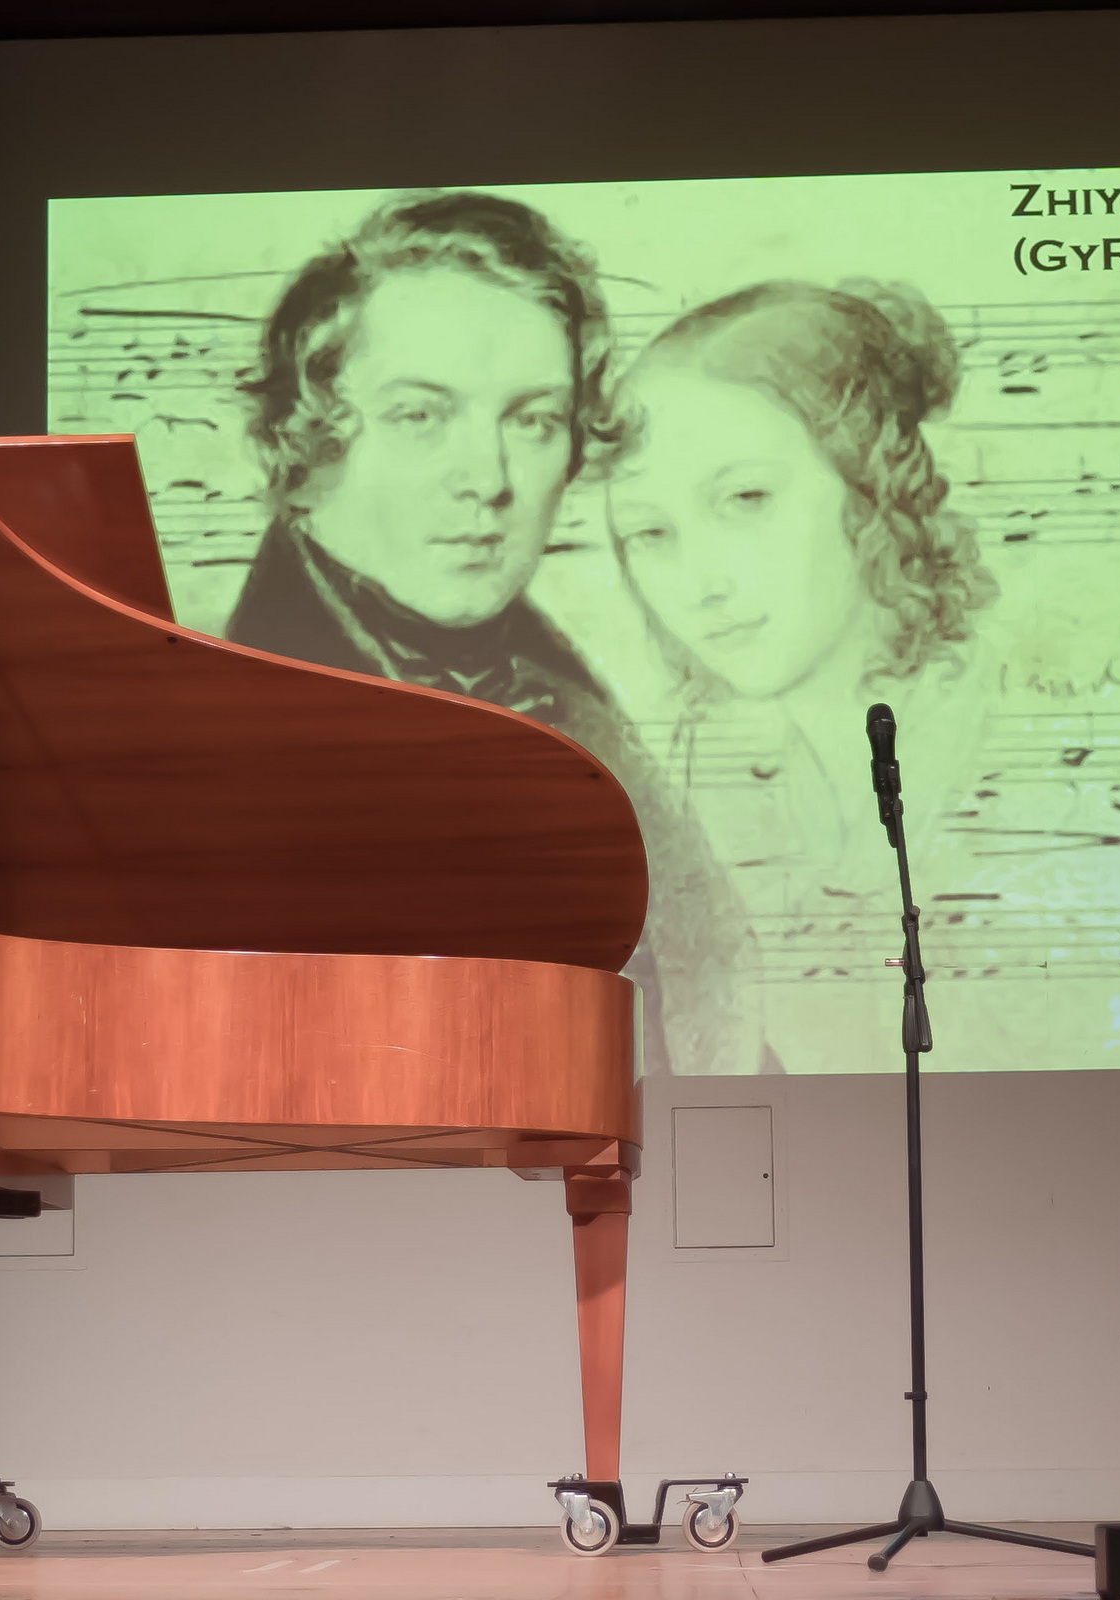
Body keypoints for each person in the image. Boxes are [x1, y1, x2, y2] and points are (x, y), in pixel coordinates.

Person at [232, 190, 770, 1074]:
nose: (487, 478)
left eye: (533, 420)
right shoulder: (215, 729)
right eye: (420, 415)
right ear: (309, 436)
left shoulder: (580, 715)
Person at [607, 279, 998, 920]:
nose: (700, 585)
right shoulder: (706, 779)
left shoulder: (1007, 743)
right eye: (649, 532)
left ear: (870, 485)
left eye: (747, 499)